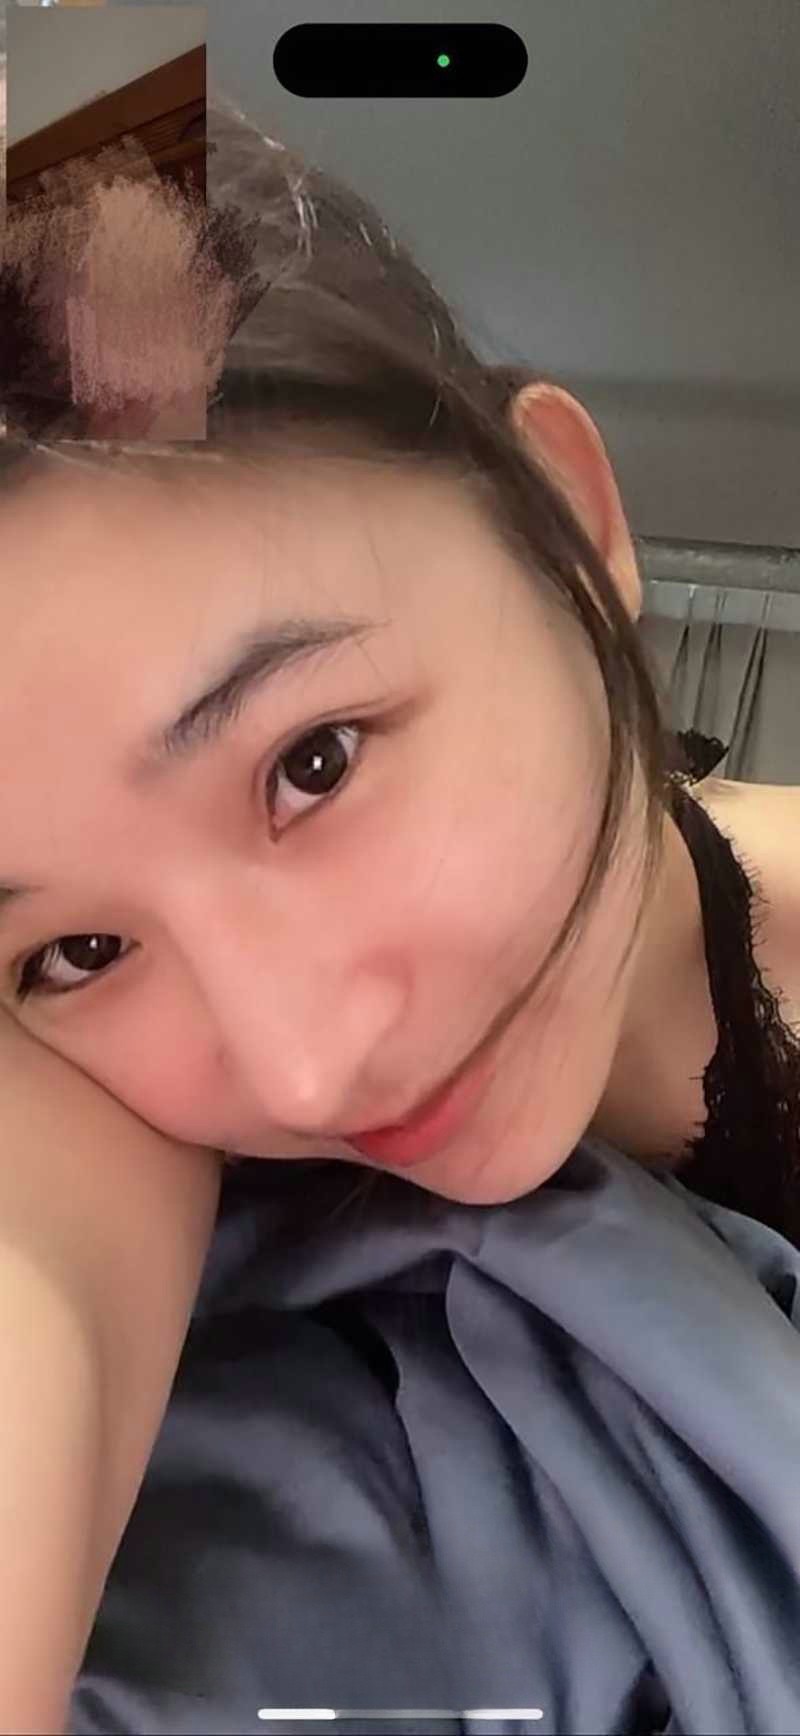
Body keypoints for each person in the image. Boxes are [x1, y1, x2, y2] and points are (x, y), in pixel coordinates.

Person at [0, 92, 799, 1734]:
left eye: (314, 762)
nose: (301, 1069)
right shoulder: (104, 1121)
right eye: (77, 952)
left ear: (570, 523)